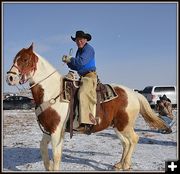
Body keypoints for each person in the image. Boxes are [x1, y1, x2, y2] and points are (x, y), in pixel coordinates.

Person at [62, 30, 97, 134]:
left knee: (82, 94)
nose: (79, 42)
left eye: (81, 40)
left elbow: (81, 62)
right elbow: (76, 66)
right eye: (77, 40)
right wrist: (68, 62)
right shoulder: (79, 50)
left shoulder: (89, 49)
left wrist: (70, 59)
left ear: (85, 40)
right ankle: (72, 120)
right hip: (82, 76)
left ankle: (86, 124)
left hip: (90, 76)